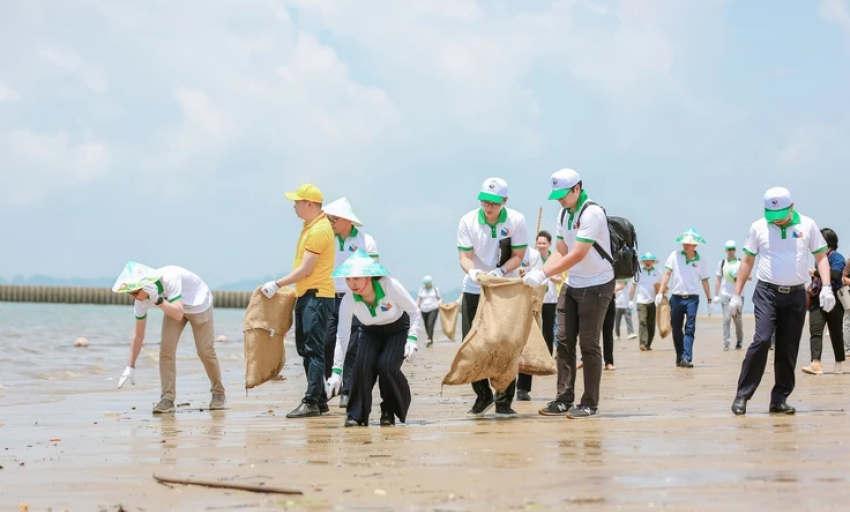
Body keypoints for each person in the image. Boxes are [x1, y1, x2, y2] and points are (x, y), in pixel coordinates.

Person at [730, 187, 834, 415]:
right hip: (766, 292)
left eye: (780, 215)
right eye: (772, 215)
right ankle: (743, 395)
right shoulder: (758, 227)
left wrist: (827, 287)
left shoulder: (807, 225)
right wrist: (737, 294)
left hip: (796, 295)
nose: (776, 220)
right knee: (762, 339)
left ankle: (779, 399)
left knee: (788, 348)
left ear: (792, 207)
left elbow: (821, 258)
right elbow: (747, 261)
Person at [524, 168, 615, 419]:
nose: (561, 199)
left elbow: (577, 254)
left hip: (597, 284)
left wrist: (542, 275)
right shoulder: (564, 214)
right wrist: (540, 270)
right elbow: (561, 250)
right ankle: (564, 398)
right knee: (563, 341)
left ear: (577, 188)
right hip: (572, 284)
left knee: (588, 343)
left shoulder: (592, 213)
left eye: (564, 194)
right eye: (557, 195)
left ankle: (589, 403)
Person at [261, 183, 335, 419]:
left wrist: (277, 284)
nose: (294, 206)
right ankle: (321, 399)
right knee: (305, 348)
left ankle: (311, 401)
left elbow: (305, 269)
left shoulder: (319, 230)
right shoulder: (309, 227)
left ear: (309, 204)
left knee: (313, 350)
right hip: (307, 295)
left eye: (297, 202)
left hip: (318, 295)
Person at [113, 261, 225, 413]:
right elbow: (138, 335)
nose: (133, 297)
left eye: (134, 293)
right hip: (172, 306)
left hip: (198, 303)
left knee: (204, 350)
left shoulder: (170, 277)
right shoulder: (140, 301)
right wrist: (130, 366)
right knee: (166, 349)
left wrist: (158, 300)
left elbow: (178, 313)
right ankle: (167, 399)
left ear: (146, 285)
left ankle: (218, 392)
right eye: (129, 294)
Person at [457, 177, 528, 418]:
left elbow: (518, 255)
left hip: (504, 288)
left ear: (504, 202)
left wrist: (500, 271)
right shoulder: (467, 221)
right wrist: (474, 271)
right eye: (485, 201)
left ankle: (505, 400)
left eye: (494, 203)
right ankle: (482, 394)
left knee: (505, 344)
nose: (488, 207)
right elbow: (464, 256)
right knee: (472, 342)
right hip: (474, 288)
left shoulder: (516, 220)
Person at [325, 250, 420, 427]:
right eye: (348, 279)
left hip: (397, 330)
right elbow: (342, 336)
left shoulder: (390, 285)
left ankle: (388, 411)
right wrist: (336, 372)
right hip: (370, 332)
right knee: (361, 367)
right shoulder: (348, 301)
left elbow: (414, 311)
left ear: (369, 277)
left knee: (386, 366)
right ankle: (356, 415)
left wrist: (412, 340)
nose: (352, 284)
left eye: (357, 278)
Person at [321, 197, 379, 409]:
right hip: (328, 297)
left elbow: (374, 271)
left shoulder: (366, 241)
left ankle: (348, 390)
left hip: (355, 298)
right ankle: (332, 384)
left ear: (347, 220)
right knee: (327, 343)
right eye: (328, 219)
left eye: (333, 219)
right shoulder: (327, 240)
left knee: (353, 345)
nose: (330, 223)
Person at [656, 228, 713, 368]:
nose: (685, 245)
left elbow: (705, 281)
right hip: (676, 298)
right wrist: (660, 292)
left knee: (690, 327)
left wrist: (709, 300)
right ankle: (680, 356)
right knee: (676, 327)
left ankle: (687, 357)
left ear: (695, 245)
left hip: (692, 299)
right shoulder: (674, 256)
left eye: (689, 243)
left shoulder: (702, 261)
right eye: (684, 242)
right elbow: (667, 274)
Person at [517, 231, 561, 401]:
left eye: (544, 243)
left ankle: (523, 388)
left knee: (530, 341)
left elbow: (540, 279)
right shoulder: (503, 251)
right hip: (510, 303)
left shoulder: (534, 256)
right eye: (539, 242)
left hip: (535, 302)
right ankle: (503, 388)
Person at [802, 228, 845, 375]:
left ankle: (839, 363)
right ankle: (816, 363)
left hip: (834, 300)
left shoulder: (837, 257)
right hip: (817, 299)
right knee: (815, 330)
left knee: (836, 332)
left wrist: (815, 272)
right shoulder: (818, 258)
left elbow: (836, 274)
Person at [714, 240, 746, 350]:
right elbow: (718, 279)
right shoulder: (722, 263)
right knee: (726, 319)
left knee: (737, 319)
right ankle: (726, 344)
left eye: (733, 249)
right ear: (726, 251)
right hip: (725, 295)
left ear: (735, 250)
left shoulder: (740, 262)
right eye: (729, 249)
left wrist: (739, 276)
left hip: (738, 295)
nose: (731, 251)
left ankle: (739, 341)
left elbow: (749, 277)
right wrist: (716, 294)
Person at [635, 253, 660, 351]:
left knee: (651, 324)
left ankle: (648, 344)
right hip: (641, 300)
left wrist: (660, 295)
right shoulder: (639, 271)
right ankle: (642, 343)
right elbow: (633, 285)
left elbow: (662, 285)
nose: (648, 262)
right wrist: (630, 300)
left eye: (650, 260)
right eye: (646, 260)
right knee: (642, 321)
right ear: (643, 262)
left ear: (653, 262)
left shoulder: (658, 271)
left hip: (653, 301)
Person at [417, 276, 441, 347]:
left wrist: (440, 303)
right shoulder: (421, 289)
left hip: (433, 308)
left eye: (427, 283)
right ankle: (430, 338)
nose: (426, 285)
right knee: (426, 324)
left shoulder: (435, 289)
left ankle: (429, 338)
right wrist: (415, 306)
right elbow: (419, 299)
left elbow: (440, 298)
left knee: (430, 323)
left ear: (430, 283)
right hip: (423, 309)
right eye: (425, 283)